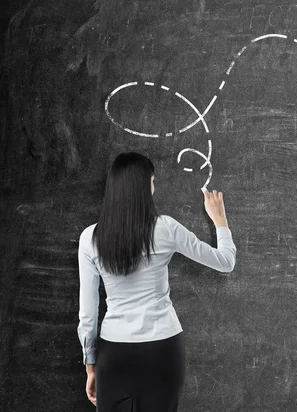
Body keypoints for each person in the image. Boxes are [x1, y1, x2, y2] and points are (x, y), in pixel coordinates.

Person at [77, 152, 236, 411]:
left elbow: (88, 313)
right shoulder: (166, 228)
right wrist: (220, 221)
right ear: (145, 187)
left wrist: (90, 364)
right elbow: (225, 261)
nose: (154, 187)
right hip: (162, 350)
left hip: (113, 353)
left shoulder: (89, 238)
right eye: (152, 181)